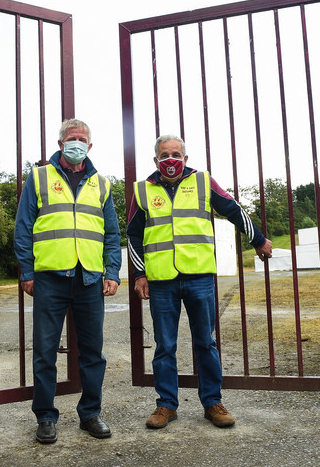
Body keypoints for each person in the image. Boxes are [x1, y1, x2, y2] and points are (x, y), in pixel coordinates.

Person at [126, 134, 273, 429]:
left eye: (176, 154)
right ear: (156, 160)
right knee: (164, 345)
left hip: (199, 278)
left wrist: (257, 239)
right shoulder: (142, 190)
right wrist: (140, 273)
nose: (171, 159)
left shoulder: (203, 182)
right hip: (161, 280)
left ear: (185, 158)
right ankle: (166, 405)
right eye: (165, 154)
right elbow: (133, 234)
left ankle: (212, 402)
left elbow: (233, 209)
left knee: (205, 342)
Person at [15, 118, 122, 444]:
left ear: (90, 146)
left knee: (93, 352)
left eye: (83, 139)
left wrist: (112, 272)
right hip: (50, 279)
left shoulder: (101, 184)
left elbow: (112, 234)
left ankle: (90, 413)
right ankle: (45, 417)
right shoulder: (38, 177)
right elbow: (23, 227)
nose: (77, 144)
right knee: (45, 352)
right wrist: (28, 272)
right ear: (61, 143)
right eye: (71, 138)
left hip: (90, 279)